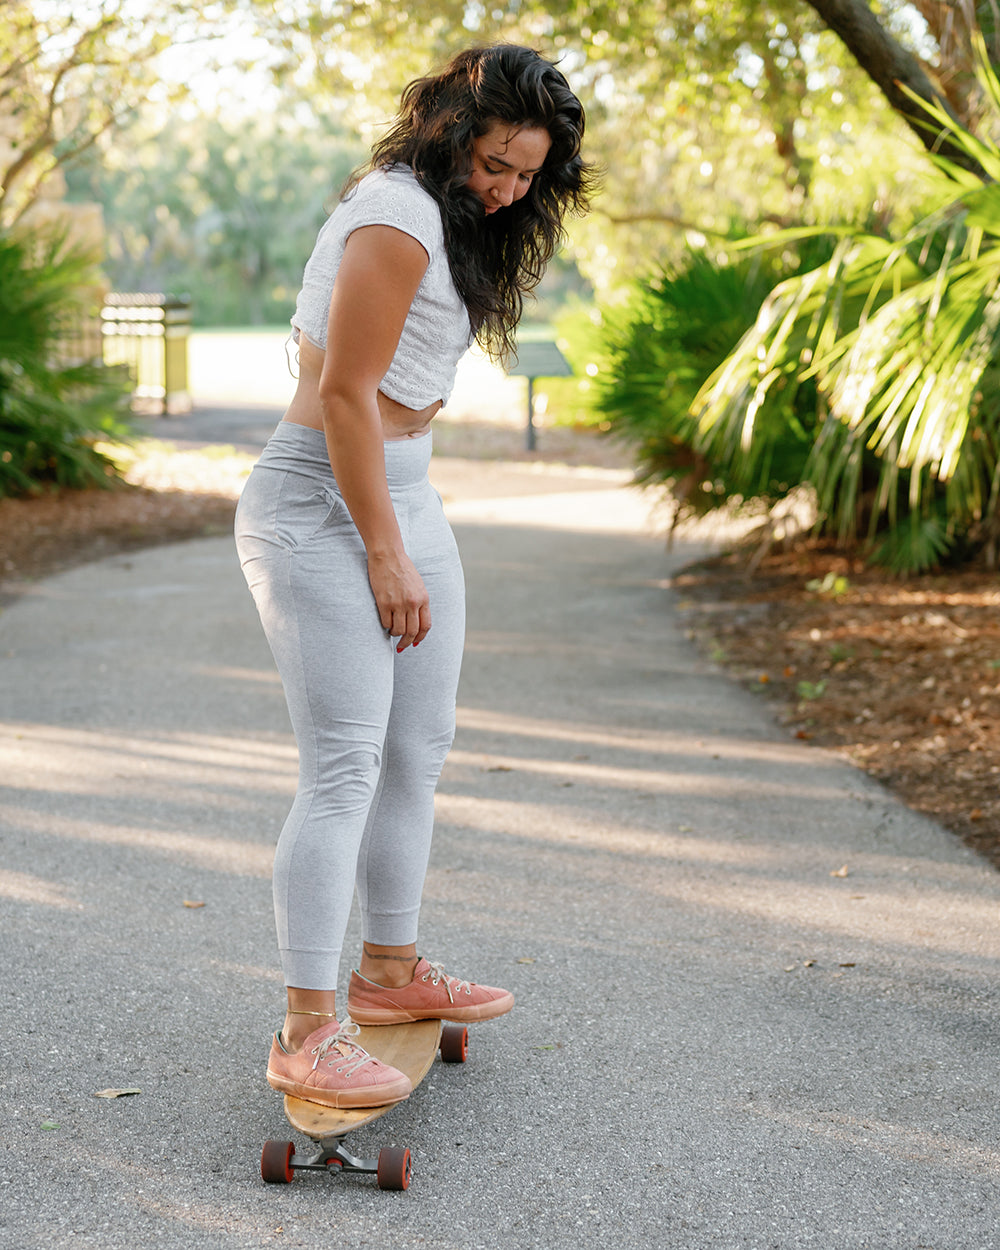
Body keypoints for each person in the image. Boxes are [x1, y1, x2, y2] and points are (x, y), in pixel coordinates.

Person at [234, 43, 592, 1110]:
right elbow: (344, 393)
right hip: (318, 506)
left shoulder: (444, 220)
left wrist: (402, 531)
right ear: (449, 128)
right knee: (342, 761)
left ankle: (388, 973)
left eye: (527, 174)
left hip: (405, 491)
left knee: (416, 745)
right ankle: (306, 1028)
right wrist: (384, 551)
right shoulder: (394, 217)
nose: (506, 188)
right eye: (494, 162)